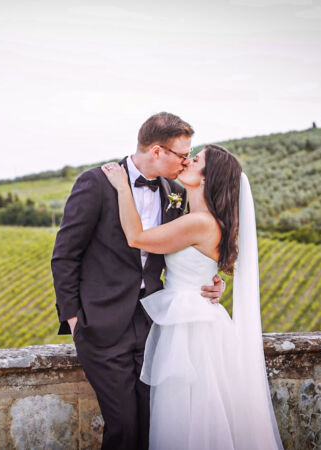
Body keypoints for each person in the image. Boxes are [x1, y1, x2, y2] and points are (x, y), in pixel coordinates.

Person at [51, 112, 225, 450]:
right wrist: (74, 320)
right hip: (101, 326)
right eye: (182, 154)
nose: (186, 161)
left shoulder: (174, 192)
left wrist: (213, 279)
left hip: (154, 324)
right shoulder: (96, 183)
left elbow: (192, 245)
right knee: (123, 428)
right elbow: (64, 255)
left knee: (153, 423)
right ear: (157, 152)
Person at [100, 144, 283, 449]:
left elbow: (137, 238)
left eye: (195, 159)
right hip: (198, 317)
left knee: (187, 416)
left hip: (190, 328)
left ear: (207, 179)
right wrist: (215, 284)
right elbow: (205, 266)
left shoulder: (200, 222)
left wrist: (122, 187)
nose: (187, 160)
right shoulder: (198, 217)